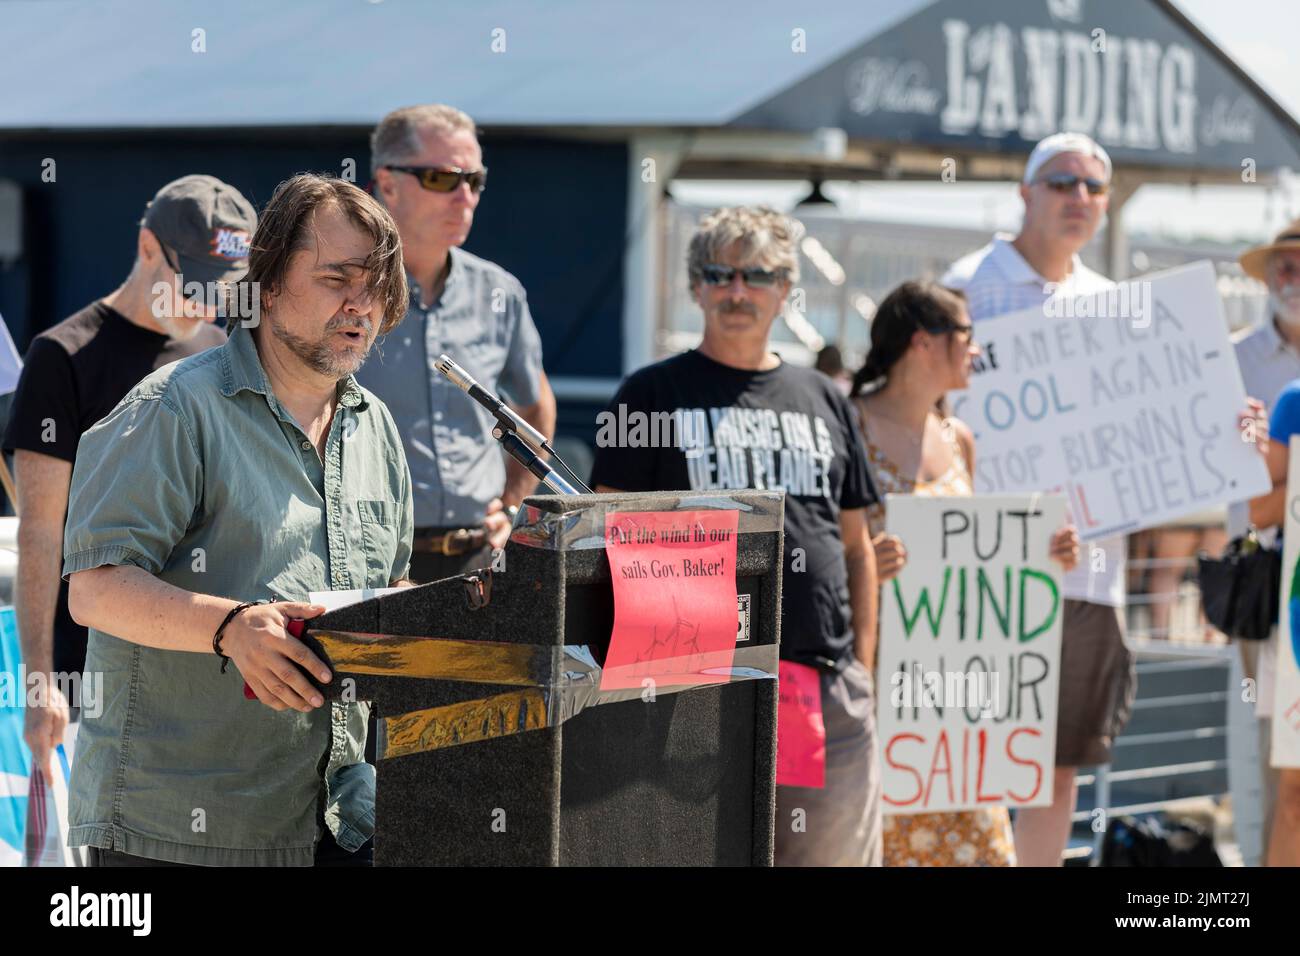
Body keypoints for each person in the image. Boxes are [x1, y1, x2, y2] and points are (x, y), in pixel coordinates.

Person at [61, 173, 414, 866]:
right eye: (337, 278)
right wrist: (228, 628)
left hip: (339, 820)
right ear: (269, 284)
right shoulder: (173, 408)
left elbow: (388, 586)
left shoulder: (378, 430)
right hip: (175, 834)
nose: (360, 304)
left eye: (376, 285)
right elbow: (94, 589)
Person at [590, 206, 883, 866]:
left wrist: (861, 664)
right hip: (694, 693)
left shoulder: (824, 397)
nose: (737, 291)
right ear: (696, 287)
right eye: (719, 274)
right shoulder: (650, 396)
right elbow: (605, 541)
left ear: (786, 290)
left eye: (758, 276)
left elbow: (857, 544)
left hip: (820, 689)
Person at [4, 175, 246, 785]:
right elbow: (40, 532)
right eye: (193, 282)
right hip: (94, 671)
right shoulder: (63, 355)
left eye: (223, 288)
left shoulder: (216, 349)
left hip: (197, 652)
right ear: (146, 248)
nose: (206, 303)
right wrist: (40, 682)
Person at [942, 132, 1135, 866]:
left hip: (1086, 570)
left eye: (1093, 187)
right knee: (970, 758)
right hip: (980, 563)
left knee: (1057, 769)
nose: (1078, 198)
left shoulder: (1116, 305)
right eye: (1061, 182)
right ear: (1025, 193)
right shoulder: (965, 286)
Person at [853, 280, 1079, 866]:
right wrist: (862, 567)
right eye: (967, 336)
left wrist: (1043, 556)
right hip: (876, 688)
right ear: (924, 343)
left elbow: (977, 563)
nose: (977, 350)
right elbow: (819, 549)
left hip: (955, 702)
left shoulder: (961, 441)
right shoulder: (845, 430)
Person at [361, 104, 556, 582]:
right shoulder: (340, 288)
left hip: (479, 563)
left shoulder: (499, 291)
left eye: (475, 180)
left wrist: (514, 503)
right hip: (367, 564)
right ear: (387, 183)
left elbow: (535, 407)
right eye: (444, 179)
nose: (465, 196)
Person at [1222, 220, 1300, 861]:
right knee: (1277, 765)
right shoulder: (1233, 357)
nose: (1296, 280)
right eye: (1287, 266)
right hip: (1266, 590)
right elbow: (1257, 503)